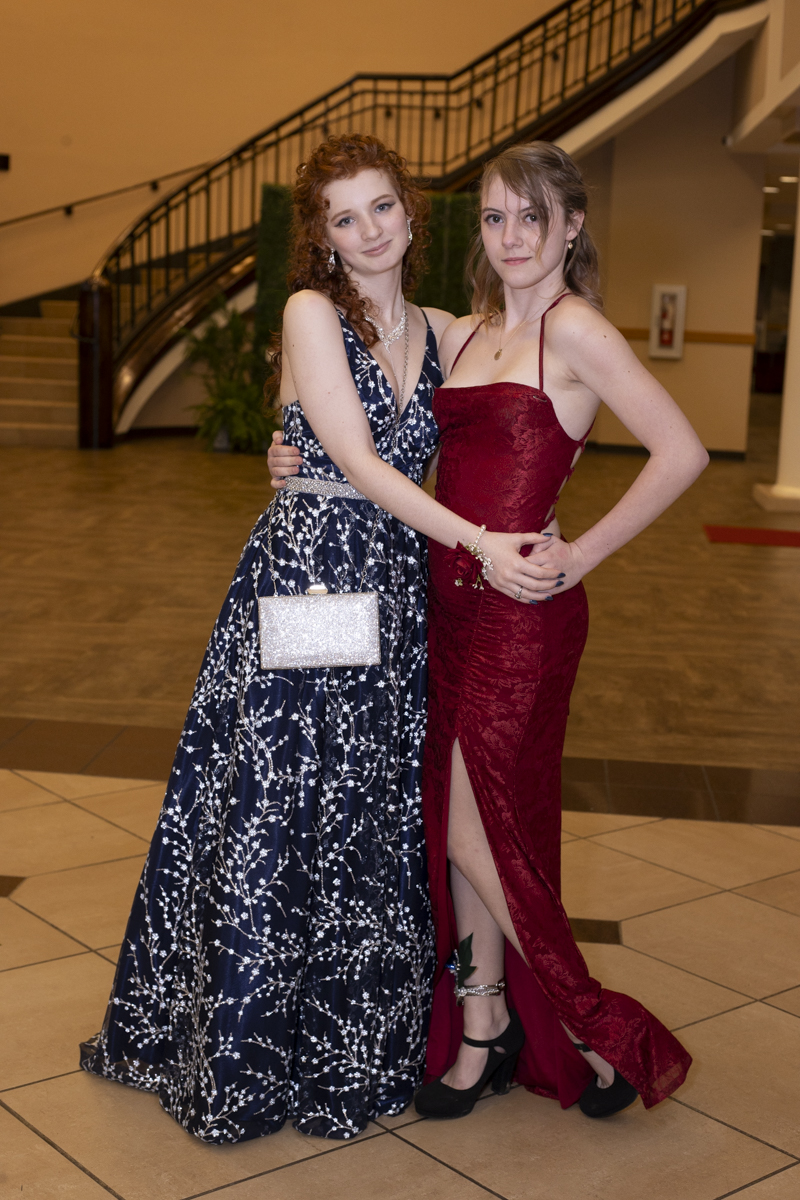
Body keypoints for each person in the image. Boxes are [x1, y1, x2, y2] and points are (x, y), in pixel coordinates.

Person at [269, 141, 708, 1122]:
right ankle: (481, 1024)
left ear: (571, 225)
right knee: (458, 822)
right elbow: (357, 394)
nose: (512, 237)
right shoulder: (463, 332)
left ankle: (592, 1021)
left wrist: (580, 554)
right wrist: (290, 445)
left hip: (522, 613)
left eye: (532, 217)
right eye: (496, 218)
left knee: (479, 830)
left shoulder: (575, 327)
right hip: (445, 601)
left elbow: (681, 452)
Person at [80, 132, 499, 1143]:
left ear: (410, 211)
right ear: (322, 236)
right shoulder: (310, 311)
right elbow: (356, 461)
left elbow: (524, 386)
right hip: (311, 577)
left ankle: (354, 1043)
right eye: (344, 217)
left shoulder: (447, 331)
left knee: (365, 810)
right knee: (281, 807)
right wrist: (481, 538)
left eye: (382, 206)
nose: (369, 230)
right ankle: (249, 1052)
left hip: (393, 589)